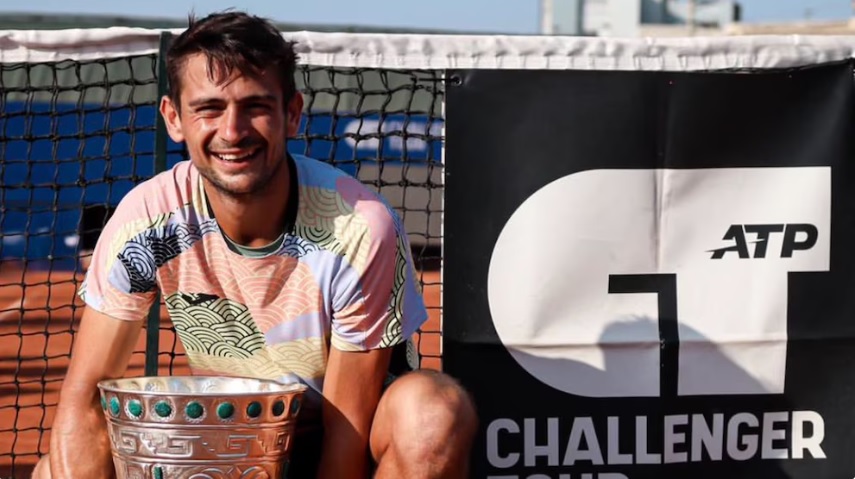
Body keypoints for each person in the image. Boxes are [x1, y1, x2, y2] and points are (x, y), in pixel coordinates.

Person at [32, 10, 477, 479]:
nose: (232, 131)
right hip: (233, 440)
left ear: (292, 114)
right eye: (209, 108)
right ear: (174, 119)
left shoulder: (357, 226)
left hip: (348, 443)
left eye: (255, 106)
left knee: (431, 413)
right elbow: (83, 401)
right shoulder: (146, 220)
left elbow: (346, 436)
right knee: (53, 471)